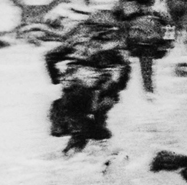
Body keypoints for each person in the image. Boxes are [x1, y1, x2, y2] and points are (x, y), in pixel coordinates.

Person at [45, 10, 131, 153]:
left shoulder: (77, 40)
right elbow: (125, 68)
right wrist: (118, 87)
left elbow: (50, 57)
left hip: (75, 87)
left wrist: (55, 78)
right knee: (98, 120)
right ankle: (102, 151)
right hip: (103, 91)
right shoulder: (116, 44)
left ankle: (75, 151)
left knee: (74, 118)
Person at [111, 0, 174, 94]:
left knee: (121, 64)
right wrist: (168, 42)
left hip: (130, 42)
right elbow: (169, 24)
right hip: (149, 43)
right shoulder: (154, 11)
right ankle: (149, 91)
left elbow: (112, 22)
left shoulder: (123, 7)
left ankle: (118, 89)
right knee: (147, 70)